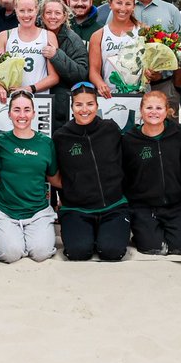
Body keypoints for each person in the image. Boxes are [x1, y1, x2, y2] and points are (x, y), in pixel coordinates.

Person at [53, 82, 132, 261]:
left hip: (113, 207)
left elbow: (126, 162)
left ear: (97, 105)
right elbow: (53, 173)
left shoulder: (110, 129)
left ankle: (105, 234)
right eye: (78, 104)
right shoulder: (61, 136)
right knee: (78, 253)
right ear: (71, 107)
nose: (84, 110)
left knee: (111, 252)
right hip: (76, 209)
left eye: (89, 104)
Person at [0, 89, 59, 262]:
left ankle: (30, 236)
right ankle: (11, 236)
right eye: (17, 110)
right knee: (11, 254)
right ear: (9, 113)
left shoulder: (46, 143)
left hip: (38, 212)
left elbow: (54, 178)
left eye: (27, 109)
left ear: (34, 113)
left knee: (41, 254)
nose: (22, 115)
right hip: (6, 212)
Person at [121, 90, 181, 254]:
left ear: (167, 111)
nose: (154, 112)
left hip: (175, 204)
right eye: (149, 107)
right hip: (143, 205)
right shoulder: (129, 140)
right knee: (153, 248)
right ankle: (142, 232)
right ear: (141, 110)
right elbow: (123, 174)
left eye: (159, 108)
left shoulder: (178, 133)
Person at [0, 0, 59, 102]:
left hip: (40, 99)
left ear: (37, 10)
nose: (26, 15)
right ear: (16, 11)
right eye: (22, 11)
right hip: (12, 100)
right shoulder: (4, 36)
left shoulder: (48, 36)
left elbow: (54, 77)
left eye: (30, 10)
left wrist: (29, 89)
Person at [39, 0, 88, 130]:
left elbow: (82, 74)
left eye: (57, 13)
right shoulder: (34, 34)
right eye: (48, 13)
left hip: (60, 105)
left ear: (65, 16)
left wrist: (57, 55)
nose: (53, 17)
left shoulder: (73, 40)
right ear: (42, 16)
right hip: (35, 98)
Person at [89, 0, 141, 99]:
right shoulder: (99, 35)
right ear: (110, 4)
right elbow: (93, 71)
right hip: (109, 96)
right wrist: (100, 84)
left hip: (139, 96)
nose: (123, 8)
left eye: (128, 4)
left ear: (134, 7)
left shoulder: (143, 31)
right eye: (119, 3)